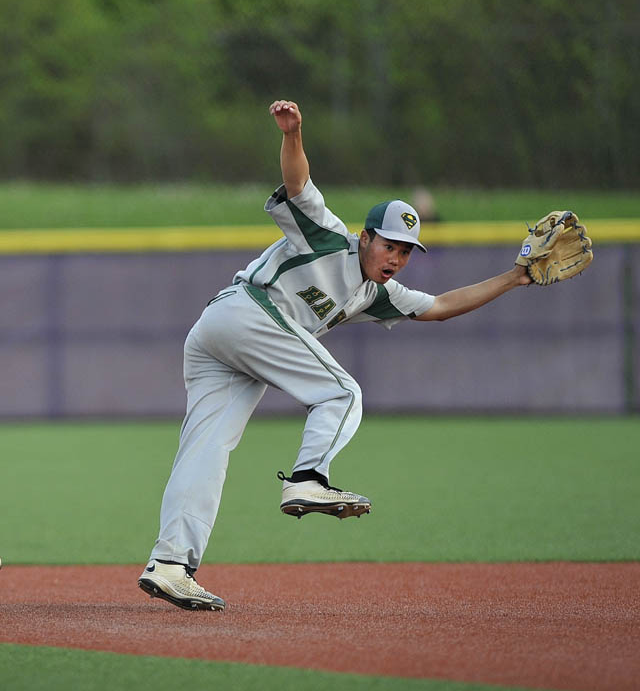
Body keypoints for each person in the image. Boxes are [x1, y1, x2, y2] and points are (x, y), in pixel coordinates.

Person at [138, 100, 534, 611]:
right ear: (365, 237)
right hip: (244, 315)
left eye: (407, 250)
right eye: (389, 244)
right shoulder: (327, 236)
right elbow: (299, 183)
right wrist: (293, 134)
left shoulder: (374, 293)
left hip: (227, 340)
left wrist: (515, 276)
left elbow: (440, 306)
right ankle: (307, 480)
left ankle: (171, 564)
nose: (396, 257)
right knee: (342, 391)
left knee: (207, 452)